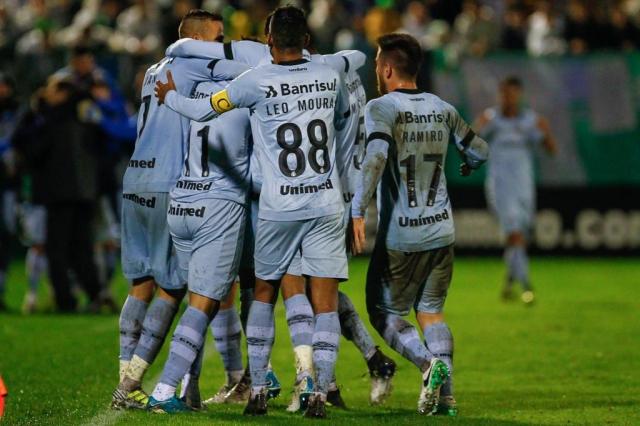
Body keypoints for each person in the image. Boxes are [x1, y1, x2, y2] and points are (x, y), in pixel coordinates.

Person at [155, 6, 350, 418]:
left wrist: (168, 95)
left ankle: (258, 388)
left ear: (268, 40)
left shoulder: (256, 80)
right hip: (327, 202)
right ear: (309, 42)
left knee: (263, 292)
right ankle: (317, 395)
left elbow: (204, 108)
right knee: (326, 301)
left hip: (279, 206)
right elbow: (345, 122)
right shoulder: (330, 77)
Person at [111, 9, 246, 410]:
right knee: (180, 289)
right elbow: (250, 74)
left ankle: (129, 379)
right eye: (218, 36)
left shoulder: (155, 69)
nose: (223, 44)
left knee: (140, 285)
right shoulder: (199, 63)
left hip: (135, 178)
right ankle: (145, 383)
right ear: (199, 39)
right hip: (171, 183)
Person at [351, 33, 489, 416]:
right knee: (431, 311)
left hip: (403, 235)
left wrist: (357, 211)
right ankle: (446, 399)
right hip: (442, 229)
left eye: (378, 62)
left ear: (389, 68)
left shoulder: (382, 107)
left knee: (384, 312)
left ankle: (428, 365)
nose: (377, 68)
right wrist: (467, 163)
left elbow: (376, 158)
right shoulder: (442, 108)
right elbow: (480, 150)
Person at [146, 76, 252, 413]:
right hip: (216, 205)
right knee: (204, 304)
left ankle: (189, 390)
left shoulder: (194, 92)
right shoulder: (245, 99)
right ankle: (164, 392)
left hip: (181, 203)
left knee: (198, 300)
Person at [12, 77, 103, 313]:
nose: (47, 93)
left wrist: (35, 112)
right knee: (82, 247)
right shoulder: (85, 117)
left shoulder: (50, 120)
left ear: (62, 94)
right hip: (84, 192)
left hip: (59, 193)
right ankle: (95, 294)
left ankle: (65, 301)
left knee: (57, 250)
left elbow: (30, 150)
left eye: (52, 90)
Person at [474, 76, 556, 304]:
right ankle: (527, 286)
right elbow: (469, 144)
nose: (508, 98)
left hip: (524, 186)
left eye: (512, 93)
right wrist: (475, 128)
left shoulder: (530, 121)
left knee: (520, 236)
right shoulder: (492, 119)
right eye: (504, 93)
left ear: (519, 94)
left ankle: (510, 282)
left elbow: (551, 149)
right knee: (514, 233)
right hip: (500, 185)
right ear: (499, 95)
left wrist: (546, 132)